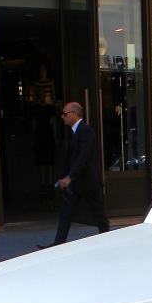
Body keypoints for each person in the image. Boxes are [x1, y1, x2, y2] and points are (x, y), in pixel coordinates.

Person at [40, 101, 110, 249]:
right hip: (77, 184)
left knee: (98, 215)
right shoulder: (75, 132)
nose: (62, 116)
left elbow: (82, 158)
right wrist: (64, 176)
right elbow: (71, 159)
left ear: (75, 114)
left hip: (88, 182)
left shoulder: (85, 132)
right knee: (66, 212)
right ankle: (58, 244)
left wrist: (69, 177)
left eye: (65, 113)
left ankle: (108, 240)